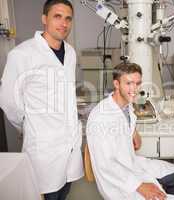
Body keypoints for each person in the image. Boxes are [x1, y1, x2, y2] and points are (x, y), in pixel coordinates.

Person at [0, 0, 83, 199]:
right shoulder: (21, 54)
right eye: (57, 16)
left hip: (70, 144)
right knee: (47, 194)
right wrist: (28, 126)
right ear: (44, 19)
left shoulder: (70, 52)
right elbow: (8, 102)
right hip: (44, 148)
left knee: (65, 192)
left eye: (68, 18)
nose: (64, 23)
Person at [86, 62, 174, 200]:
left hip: (131, 164)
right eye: (129, 83)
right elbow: (107, 165)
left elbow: (126, 120)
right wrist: (140, 186)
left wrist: (133, 131)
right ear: (116, 84)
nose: (134, 89)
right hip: (117, 183)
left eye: (138, 83)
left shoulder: (125, 105)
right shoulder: (101, 117)